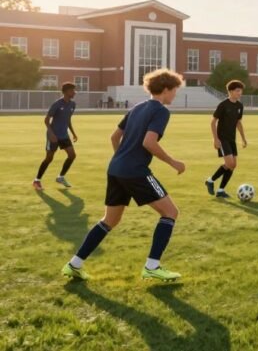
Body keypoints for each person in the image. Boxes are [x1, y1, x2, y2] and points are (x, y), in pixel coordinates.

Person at [61, 69, 186, 282]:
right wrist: (174, 162)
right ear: (166, 89)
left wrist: (122, 158)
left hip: (116, 169)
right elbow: (149, 142)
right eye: (175, 90)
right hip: (135, 171)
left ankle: (74, 264)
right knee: (170, 212)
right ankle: (152, 266)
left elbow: (114, 137)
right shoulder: (161, 111)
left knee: (110, 220)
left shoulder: (137, 108)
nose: (175, 94)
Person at [206, 80, 247, 198]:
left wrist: (243, 138)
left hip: (231, 139)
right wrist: (215, 139)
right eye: (237, 91)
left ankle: (221, 190)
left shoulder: (240, 106)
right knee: (229, 163)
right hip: (222, 139)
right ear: (230, 91)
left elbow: (239, 123)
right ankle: (210, 180)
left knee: (233, 165)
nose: (240, 93)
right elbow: (213, 122)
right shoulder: (223, 105)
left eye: (241, 91)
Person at [35, 82, 79, 190]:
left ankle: (60, 177)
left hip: (64, 135)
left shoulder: (73, 104)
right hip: (53, 135)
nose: (75, 92)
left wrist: (73, 133)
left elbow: (68, 119)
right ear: (66, 92)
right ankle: (37, 180)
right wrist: (51, 133)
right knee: (49, 158)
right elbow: (46, 120)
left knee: (72, 155)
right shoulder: (57, 104)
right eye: (72, 90)